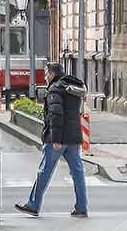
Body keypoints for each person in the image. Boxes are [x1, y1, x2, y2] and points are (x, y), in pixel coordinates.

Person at [14, 63, 89, 218]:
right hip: (73, 137)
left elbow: (55, 114)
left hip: (58, 139)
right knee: (77, 172)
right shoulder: (72, 87)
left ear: (53, 74)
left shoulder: (55, 89)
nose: (45, 77)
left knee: (44, 171)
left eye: (47, 73)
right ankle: (81, 207)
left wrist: (55, 138)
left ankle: (33, 205)